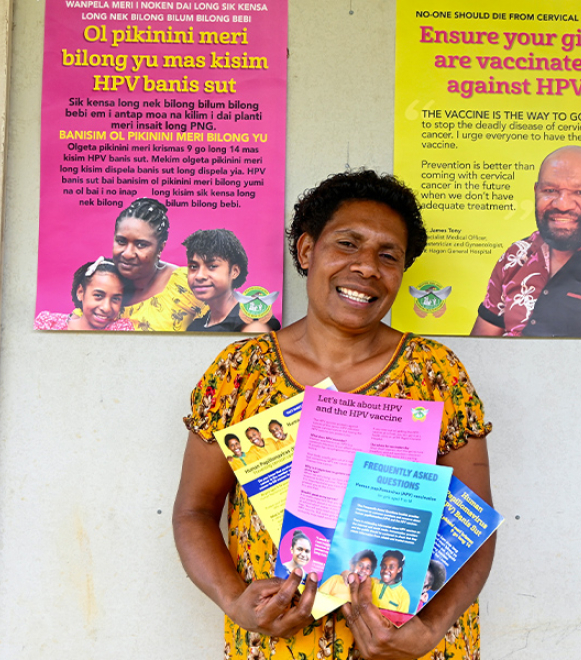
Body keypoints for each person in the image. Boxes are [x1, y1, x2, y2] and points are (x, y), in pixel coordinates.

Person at [174, 169, 494, 660]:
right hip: (278, 645)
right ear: (306, 251)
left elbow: (474, 528)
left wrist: (429, 631)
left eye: (389, 255)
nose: (367, 267)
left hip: (407, 648)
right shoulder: (240, 372)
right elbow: (195, 511)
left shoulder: (435, 373)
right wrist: (234, 601)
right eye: (348, 244)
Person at [471, 145, 581, 338]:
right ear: (536, 192)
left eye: (580, 192)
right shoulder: (516, 256)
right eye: (550, 190)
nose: (562, 204)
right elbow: (481, 349)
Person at [112, 198, 205, 331]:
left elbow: (231, 322)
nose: (127, 253)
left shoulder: (186, 284)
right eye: (121, 241)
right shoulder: (103, 281)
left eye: (141, 245)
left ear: (160, 248)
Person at [182, 229, 281, 333]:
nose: (199, 276)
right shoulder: (195, 327)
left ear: (235, 271)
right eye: (193, 266)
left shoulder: (253, 324)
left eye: (212, 266)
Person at [34, 257, 134, 331]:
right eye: (98, 296)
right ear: (80, 292)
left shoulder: (121, 329)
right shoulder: (48, 324)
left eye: (115, 299)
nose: (106, 308)